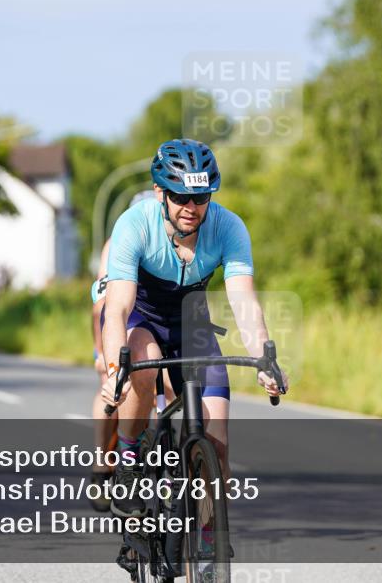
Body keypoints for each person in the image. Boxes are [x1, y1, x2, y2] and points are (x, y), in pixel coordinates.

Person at [100, 138, 287, 519]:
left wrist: (265, 359)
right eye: (180, 197)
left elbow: (244, 302)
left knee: (217, 447)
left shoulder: (228, 227)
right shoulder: (134, 225)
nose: (191, 207)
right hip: (142, 315)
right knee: (145, 360)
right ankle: (129, 457)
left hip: (191, 321)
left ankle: (205, 553)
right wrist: (115, 372)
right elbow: (118, 307)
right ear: (159, 192)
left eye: (201, 197)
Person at [88, 189, 158, 512]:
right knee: (110, 392)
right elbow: (102, 305)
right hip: (118, 318)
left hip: (152, 320)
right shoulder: (116, 243)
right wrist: (102, 354)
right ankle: (102, 464)